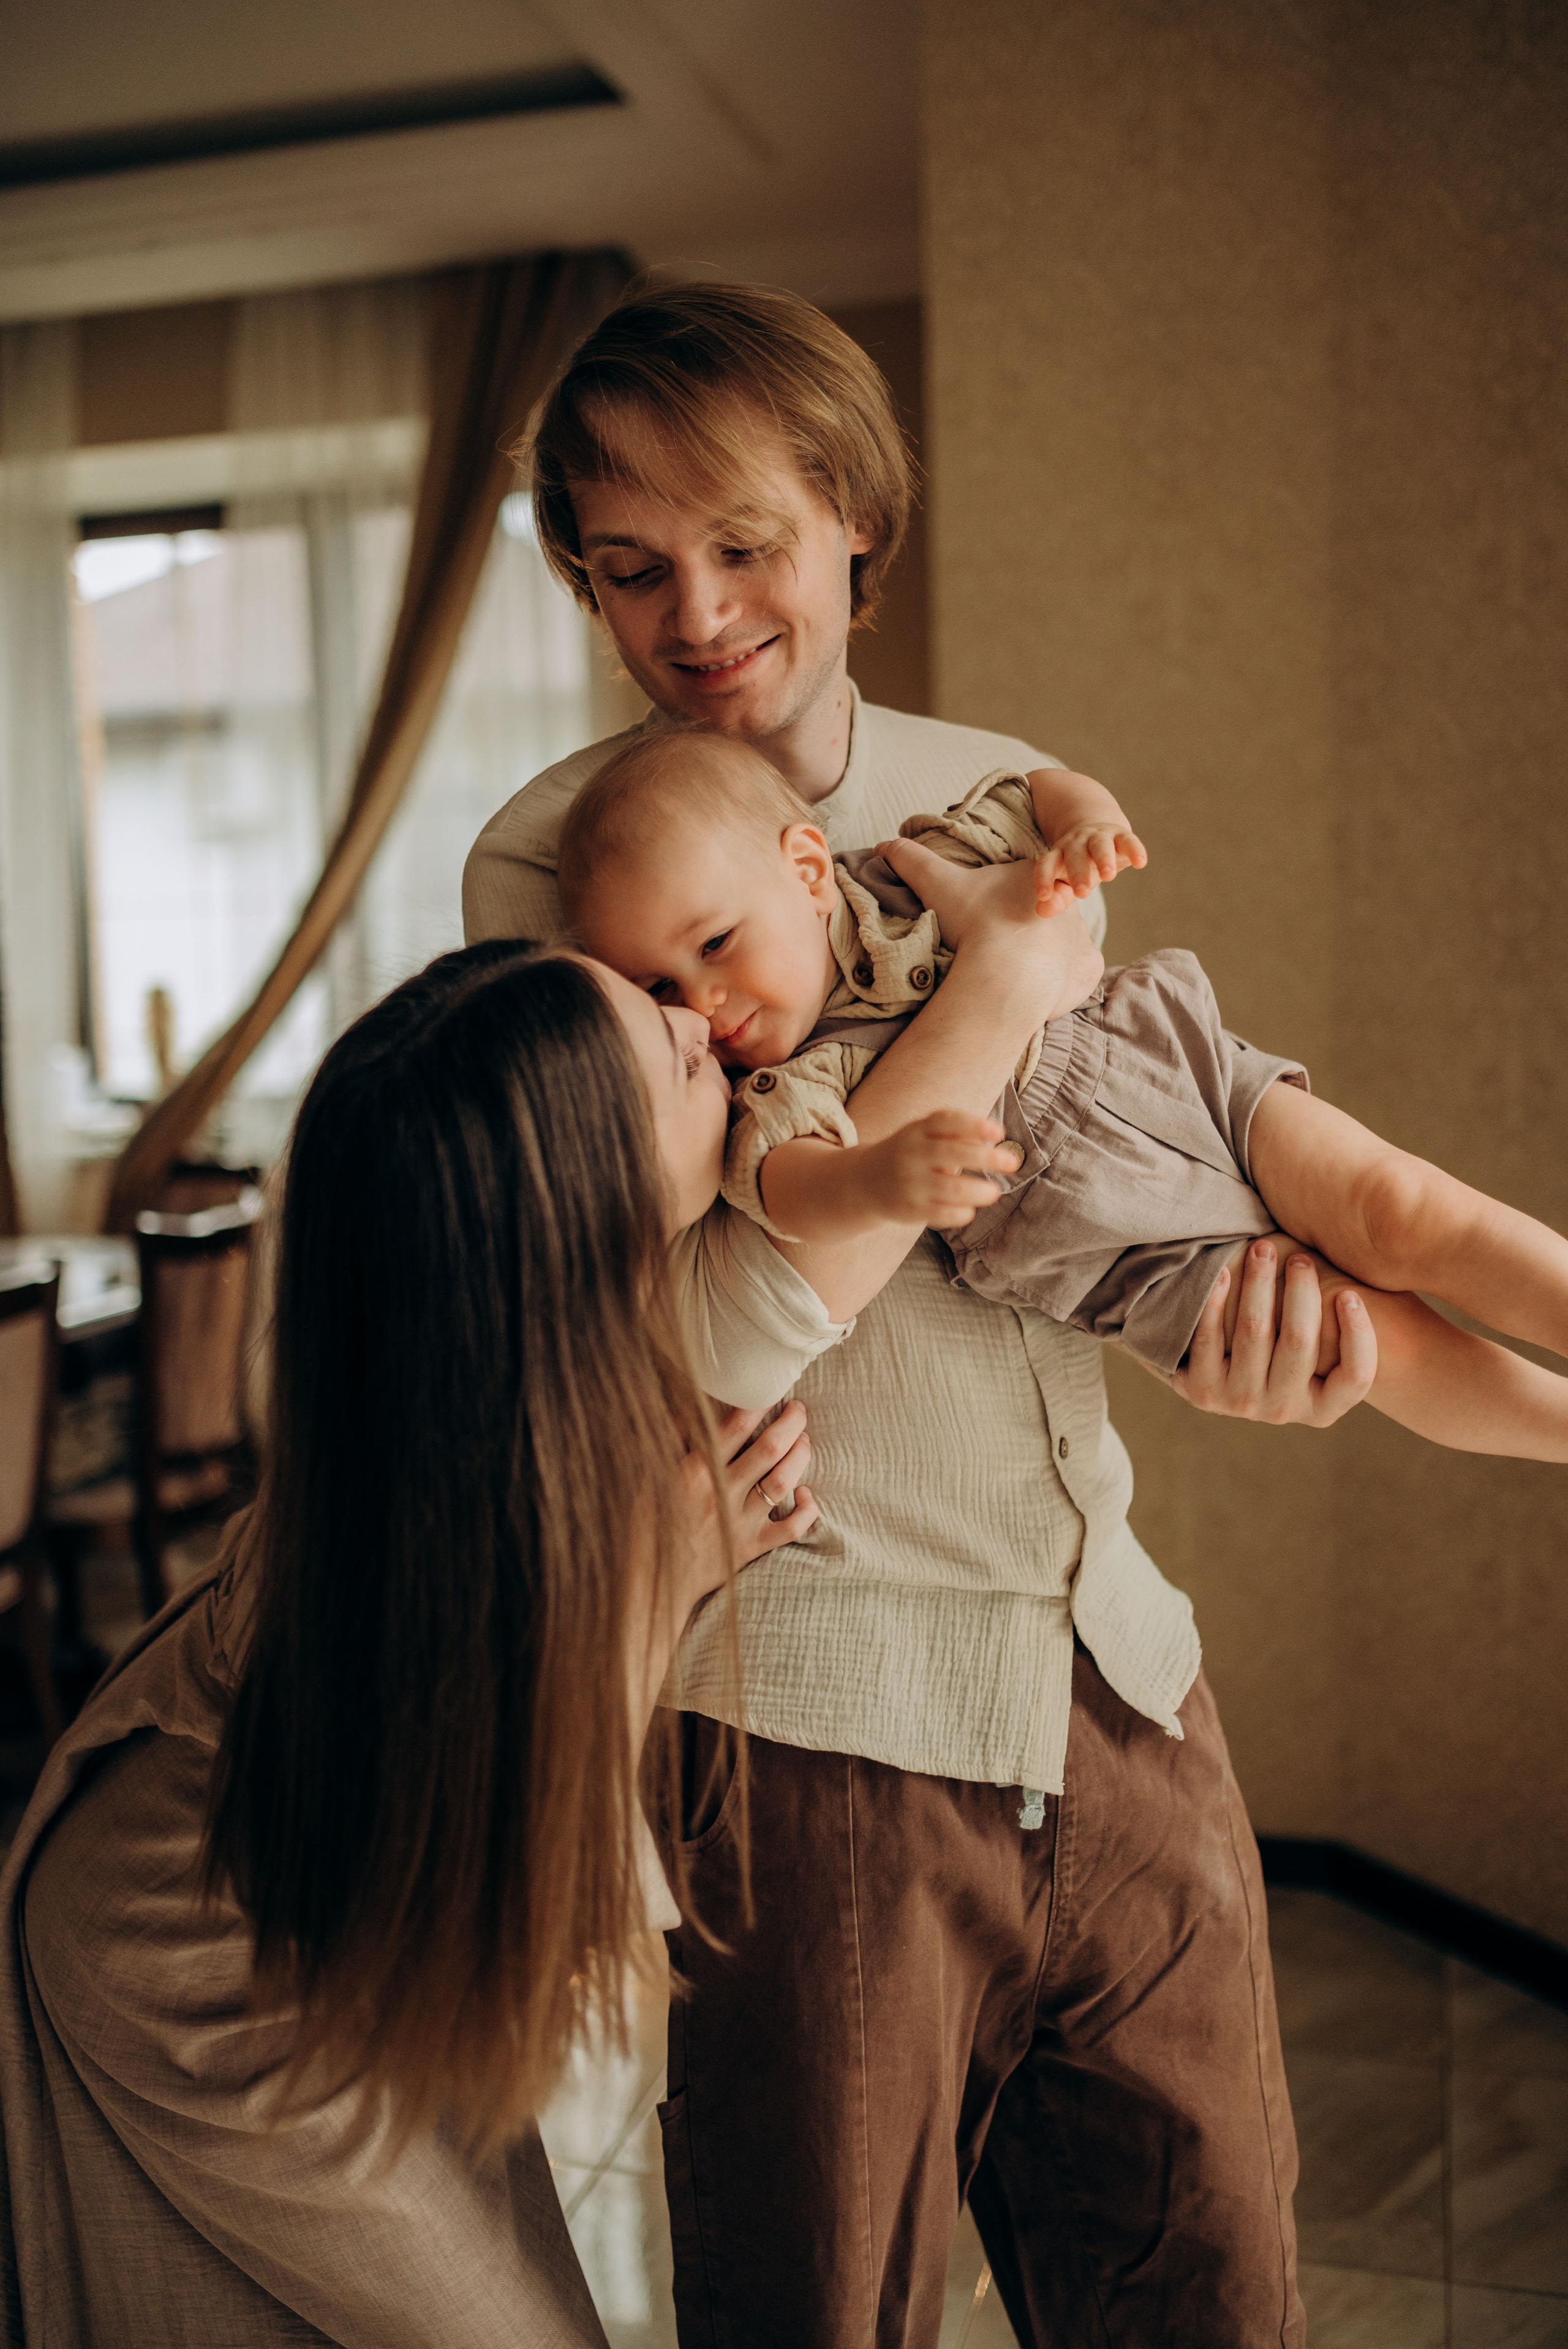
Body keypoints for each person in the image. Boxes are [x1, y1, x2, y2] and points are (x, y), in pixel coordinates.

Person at [464, 278, 1379, 2348]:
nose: (693, 613)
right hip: (808, 1720)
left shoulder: (1015, 797)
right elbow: (708, 1333)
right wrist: (992, 995)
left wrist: (1243, 1323)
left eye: (746, 545)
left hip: (1119, 1676)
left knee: (1215, 2299)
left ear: (857, 519)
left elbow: (1078, 1189)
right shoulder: (550, 880)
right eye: (629, 569)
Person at [0, 940, 836, 2349]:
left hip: (295, 1877)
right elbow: (531, 1928)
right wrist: (664, 1576)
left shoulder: (491, 1382)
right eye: (665, 1036)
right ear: (577, 1200)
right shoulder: (479, 1434)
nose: (706, 1027)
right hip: (184, 1939)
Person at [557, 728, 1568, 1459]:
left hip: (1175, 1067)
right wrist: (880, 1176)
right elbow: (789, 1189)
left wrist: (1090, 826)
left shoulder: (913, 867)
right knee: (1367, 1339)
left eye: (716, 945)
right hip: (1106, 1240)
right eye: (659, 989)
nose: (707, 1005)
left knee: (1401, 1208)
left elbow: (1032, 788)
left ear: (809, 868)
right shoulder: (782, 1085)